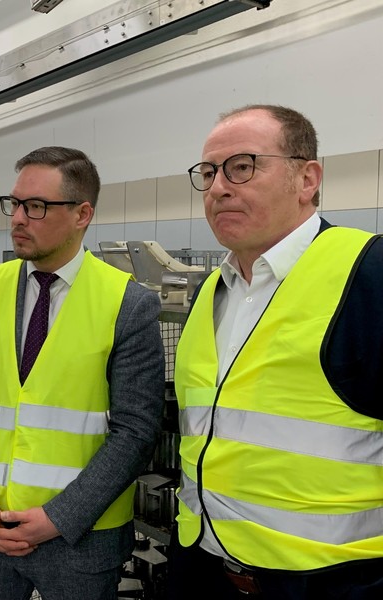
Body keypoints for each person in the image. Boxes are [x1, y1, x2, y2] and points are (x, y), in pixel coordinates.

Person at [170, 104, 383, 599]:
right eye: (208, 172)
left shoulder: (367, 274)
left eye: (242, 166)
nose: (219, 186)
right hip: (204, 570)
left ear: (306, 178)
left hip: (333, 583)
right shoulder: (211, 292)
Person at [0, 146, 165, 599]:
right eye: (14, 204)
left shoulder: (128, 303)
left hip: (81, 539)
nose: (18, 218)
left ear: (82, 214)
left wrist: (58, 517)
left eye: (36, 206)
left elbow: (136, 430)